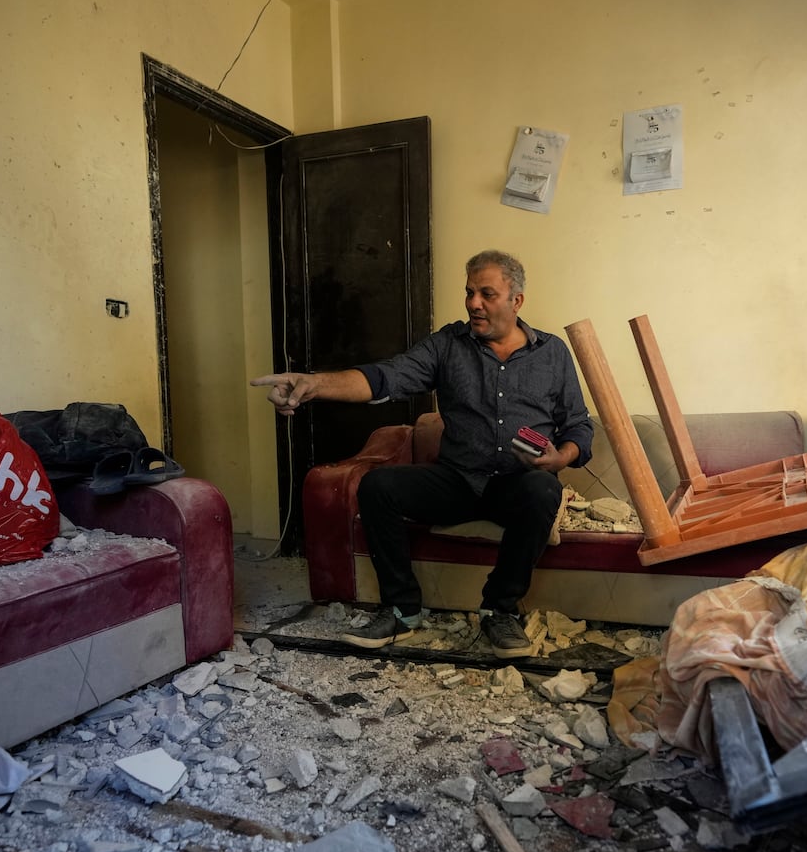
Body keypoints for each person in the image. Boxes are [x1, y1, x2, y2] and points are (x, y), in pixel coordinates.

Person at [251, 250, 594, 658]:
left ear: (516, 300)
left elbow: (578, 425)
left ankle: (498, 611)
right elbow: (386, 377)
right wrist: (315, 384)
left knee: (542, 490)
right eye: (469, 292)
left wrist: (561, 457)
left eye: (487, 294)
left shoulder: (552, 353)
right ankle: (401, 611)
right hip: (459, 479)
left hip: (518, 485)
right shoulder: (448, 344)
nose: (473, 303)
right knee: (378, 485)